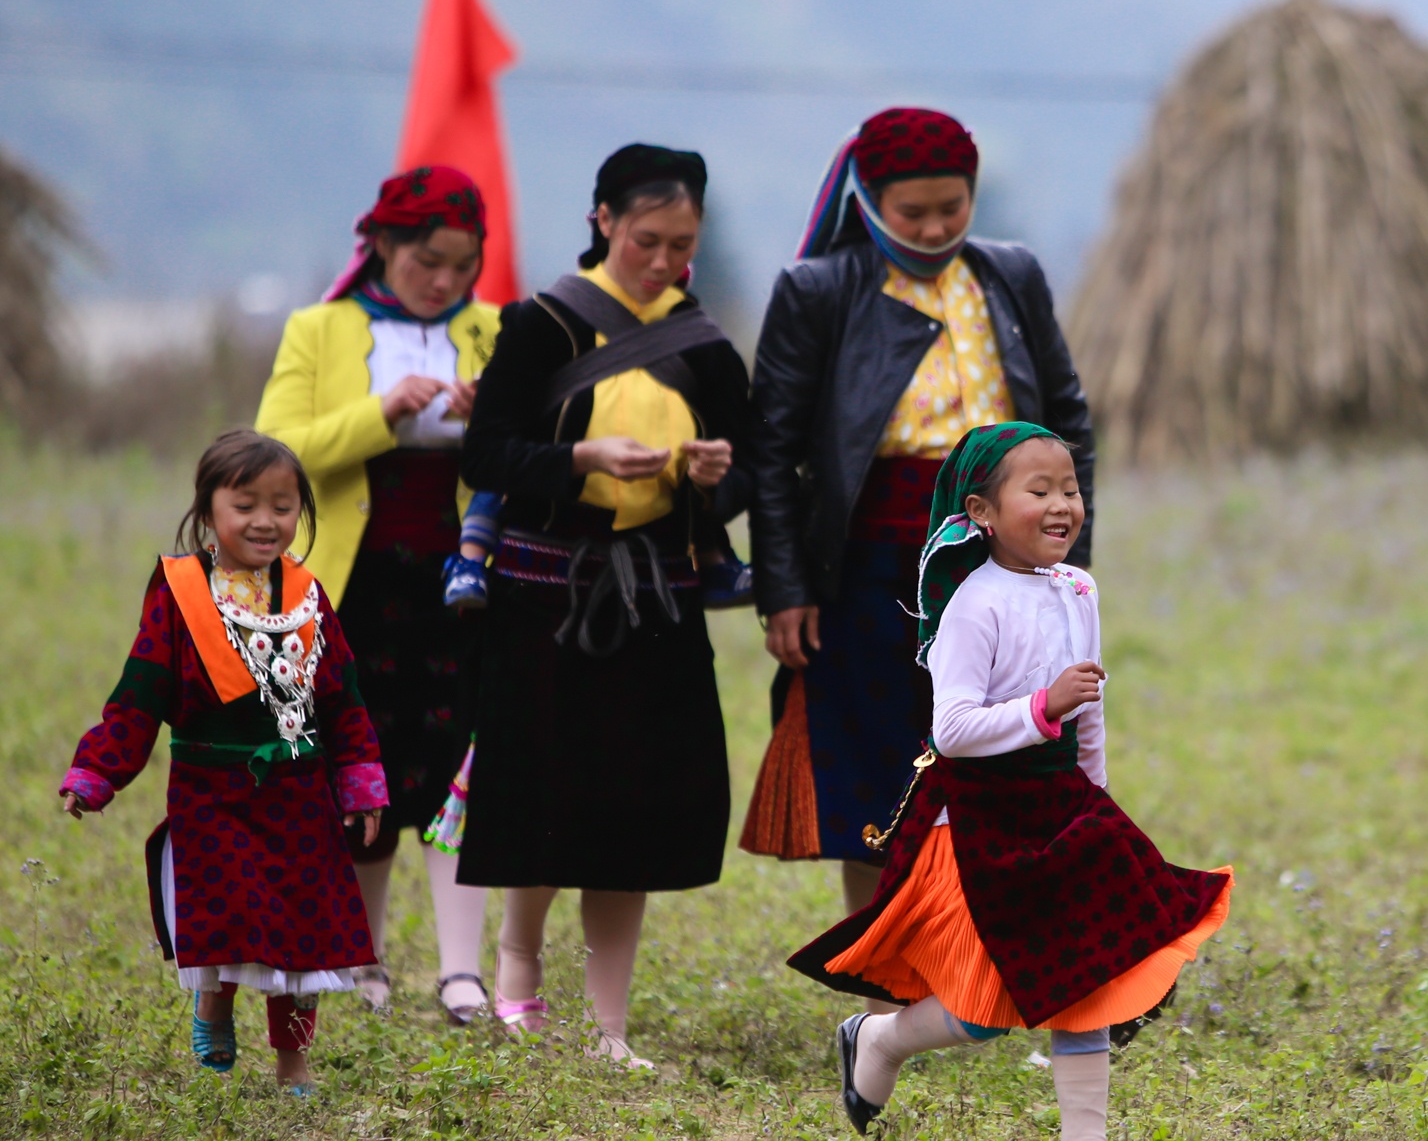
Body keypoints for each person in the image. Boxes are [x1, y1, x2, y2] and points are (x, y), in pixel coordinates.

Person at [787, 423, 1232, 1141]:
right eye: (1040, 491)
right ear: (983, 511)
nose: (1062, 505)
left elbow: (1089, 708)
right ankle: (882, 1041)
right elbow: (953, 731)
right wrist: (1040, 706)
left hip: (1066, 807)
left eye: (1070, 490)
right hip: (987, 817)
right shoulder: (974, 606)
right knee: (987, 1008)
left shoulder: (1079, 590)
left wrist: (1096, 794)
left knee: (1087, 977)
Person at [744, 107, 1098, 948]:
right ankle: (885, 953)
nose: (937, 228)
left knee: (1007, 752)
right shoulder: (819, 291)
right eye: (914, 212)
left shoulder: (1010, 276)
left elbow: (1068, 419)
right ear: (868, 198)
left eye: (954, 207)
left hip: (1001, 561)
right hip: (867, 569)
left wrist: (1063, 559)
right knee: (883, 767)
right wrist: (785, 589)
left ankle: (990, 948)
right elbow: (774, 452)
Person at [458, 144, 753, 1067]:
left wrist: (715, 475)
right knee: (546, 795)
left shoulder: (703, 345)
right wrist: (580, 463)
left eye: (682, 244)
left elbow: (743, 475)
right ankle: (516, 976)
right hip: (544, 596)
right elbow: (486, 456)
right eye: (646, 241)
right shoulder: (543, 324)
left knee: (633, 809)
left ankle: (609, 1025)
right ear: (603, 223)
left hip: (656, 601)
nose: (664, 262)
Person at [59, 431, 388, 1095]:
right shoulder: (179, 595)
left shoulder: (308, 597)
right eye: (246, 505)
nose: (266, 521)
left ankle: (293, 1065)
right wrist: (97, 771)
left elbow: (343, 700)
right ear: (208, 511)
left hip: (298, 793)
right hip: (212, 793)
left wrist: (360, 783)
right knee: (227, 920)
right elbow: (139, 694)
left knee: (303, 938)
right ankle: (213, 1008)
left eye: (283, 504)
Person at [255, 166, 498, 1023]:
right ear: (383, 247)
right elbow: (273, 450)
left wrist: (490, 425)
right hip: (352, 588)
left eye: (463, 266)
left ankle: (462, 971)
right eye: (428, 261)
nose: (445, 282)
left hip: (463, 585)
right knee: (358, 768)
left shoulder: (495, 331)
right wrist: (381, 412)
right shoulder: (320, 331)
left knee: (456, 765)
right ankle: (358, 957)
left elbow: (529, 457)